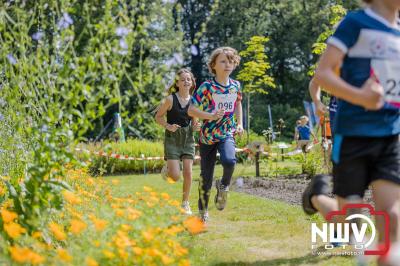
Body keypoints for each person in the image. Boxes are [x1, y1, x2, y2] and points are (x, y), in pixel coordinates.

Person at [302, 1, 400, 264]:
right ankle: (318, 196)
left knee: (392, 217)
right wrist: (361, 98)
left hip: (390, 136)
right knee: (352, 220)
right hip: (353, 135)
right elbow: (322, 74)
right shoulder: (356, 23)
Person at [188, 47, 244, 222]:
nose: (227, 65)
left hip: (227, 131)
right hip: (207, 136)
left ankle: (224, 186)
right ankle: (203, 211)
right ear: (213, 65)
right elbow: (191, 109)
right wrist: (209, 116)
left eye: (230, 61)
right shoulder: (207, 86)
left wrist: (240, 123)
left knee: (229, 160)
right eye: (223, 61)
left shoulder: (236, 85)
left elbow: (238, 104)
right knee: (206, 176)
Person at [155, 68, 200, 215]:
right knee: (175, 177)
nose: (186, 81)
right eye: (183, 79)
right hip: (172, 139)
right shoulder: (170, 100)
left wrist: (196, 127)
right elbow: (158, 117)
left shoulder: (194, 101)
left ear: (192, 82)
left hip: (188, 139)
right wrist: (168, 126)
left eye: (189, 79)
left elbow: (194, 123)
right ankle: (168, 170)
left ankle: (185, 203)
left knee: (188, 171)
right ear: (177, 83)